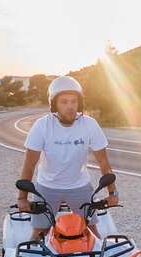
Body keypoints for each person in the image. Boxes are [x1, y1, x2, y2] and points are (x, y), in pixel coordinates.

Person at [17, 76, 119, 240]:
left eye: (74, 101)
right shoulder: (42, 126)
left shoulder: (89, 124)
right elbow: (29, 165)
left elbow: (104, 162)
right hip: (47, 187)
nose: (70, 107)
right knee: (38, 235)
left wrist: (113, 192)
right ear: (54, 104)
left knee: (92, 233)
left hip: (79, 185)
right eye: (64, 102)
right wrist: (22, 198)